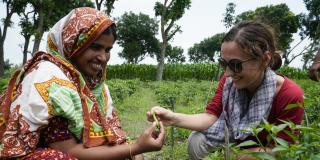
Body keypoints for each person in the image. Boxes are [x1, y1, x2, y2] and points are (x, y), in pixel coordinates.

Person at [0, 7, 165, 159]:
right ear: (73, 44)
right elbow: (69, 150)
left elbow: (113, 134)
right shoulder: (50, 79)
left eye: (108, 50)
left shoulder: (96, 85)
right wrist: (135, 148)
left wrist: (133, 149)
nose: (102, 57)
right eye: (95, 47)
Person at [147, 21, 304, 160]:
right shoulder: (229, 81)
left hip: (256, 152)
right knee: (196, 141)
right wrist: (172, 118)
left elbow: (281, 150)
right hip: (233, 143)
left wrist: (240, 156)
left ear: (265, 59)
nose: (228, 73)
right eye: (224, 64)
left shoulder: (289, 95)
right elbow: (211, 116)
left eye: (236, 64)